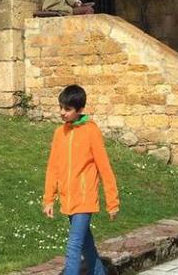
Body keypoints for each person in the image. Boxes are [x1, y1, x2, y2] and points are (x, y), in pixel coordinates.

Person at [42, 84, 118, 275]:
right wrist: (49, 199)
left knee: (74, 245)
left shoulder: (91, 131)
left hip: (85, 199)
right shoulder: (59, 133)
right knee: (86, 246)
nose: (62, 113)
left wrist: (112, 201)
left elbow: (104, 167)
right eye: (61, 107)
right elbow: (53, 167)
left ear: (80, 109)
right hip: (68, 198)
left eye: (67, 109)